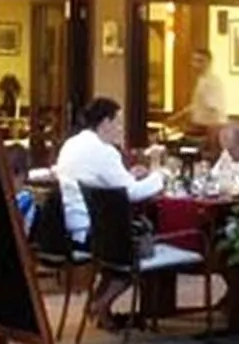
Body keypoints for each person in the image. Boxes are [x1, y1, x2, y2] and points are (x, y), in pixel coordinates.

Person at [54, 97, 162, 244]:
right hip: (97, 235)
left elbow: (95, 178)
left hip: (70, 228)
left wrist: (129, 175)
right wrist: (158, 170)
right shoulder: (104, 151)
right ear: (105, 123)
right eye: (118, 123)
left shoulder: (70, 144)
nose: (120, 129)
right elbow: (132, 193)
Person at [179, 49, 228, 143]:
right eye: (194, 60)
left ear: (209, 63)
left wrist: (212, 135)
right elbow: (197, 105)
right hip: (200, 129)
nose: (195, 65)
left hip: (208, 130)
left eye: (199, 61)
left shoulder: (212, 82)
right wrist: (178, 116)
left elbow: (214, 110)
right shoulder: (202, 80)